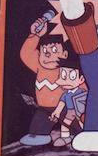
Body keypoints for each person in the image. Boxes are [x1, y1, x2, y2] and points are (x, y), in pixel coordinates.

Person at [19, 17, 68, 147]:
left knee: (73, 126)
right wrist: (35, 35)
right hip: (45, 109)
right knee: (37, 131)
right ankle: (39, 135)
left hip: (66, 109)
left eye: (54, 50)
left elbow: (80, 86)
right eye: (44, 51)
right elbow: (26, 53)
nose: (48, 55)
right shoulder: (39, 67)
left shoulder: (67, 71)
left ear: (64, 54)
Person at [50, 57, 87, 148]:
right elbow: (61, 104)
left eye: (72, 76)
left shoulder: (82, 92)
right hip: (70, 111)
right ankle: (65, 137)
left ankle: (87, 135)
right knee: (65, 123)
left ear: (81, 79)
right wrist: (57, 112)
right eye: (63, 76)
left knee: (83, 124)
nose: (66, 80)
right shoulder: (65, 95)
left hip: (81, 112)